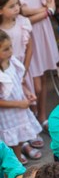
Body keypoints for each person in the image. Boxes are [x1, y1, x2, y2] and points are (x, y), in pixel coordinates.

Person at [3, 0, 59, 124]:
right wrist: (46, 12)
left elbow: (50, 0)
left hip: (43, 31)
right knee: (31, 81)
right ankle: (31, 115)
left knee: (41, 76)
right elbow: (23, 12)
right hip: (27, 34)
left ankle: (42, 115)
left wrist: (48, 7)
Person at [0, 28, 41, 165]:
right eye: (5, 49)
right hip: (7, 114)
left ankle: (19, 153)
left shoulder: (11, 62)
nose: (10, 51)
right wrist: (19, 104)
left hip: (19, 109)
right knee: (11, 141)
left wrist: (27, 92)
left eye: (10, 47)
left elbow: (17, 81)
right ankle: (15, 165)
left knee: (19, 137)